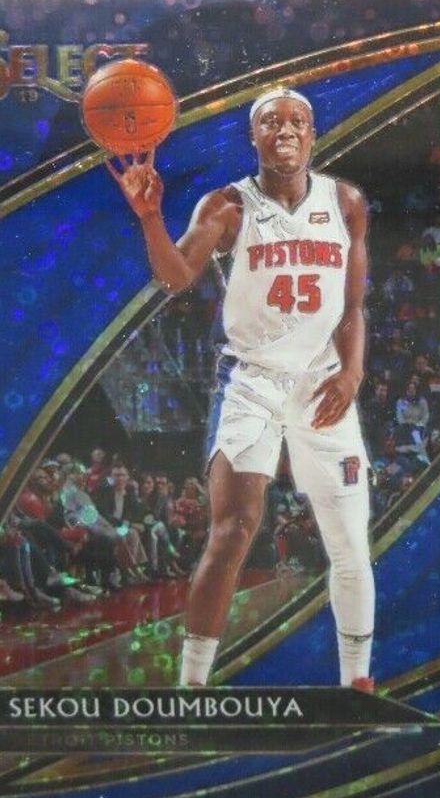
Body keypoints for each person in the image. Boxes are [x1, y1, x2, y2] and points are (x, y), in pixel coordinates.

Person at [107, 87, 375, 689]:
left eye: (297, 121)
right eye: (271, 121)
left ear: (313, 134)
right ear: (253, 136)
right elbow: (176, 276)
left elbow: (352, 306)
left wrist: (352, 373)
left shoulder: (346, 203)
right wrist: (149, 217)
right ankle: (192, 686)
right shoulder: (228, 205)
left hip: (322, 383)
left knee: (349, 541)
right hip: (251, 380)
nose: (285, 129)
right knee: (233, 528)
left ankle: (358, 681)